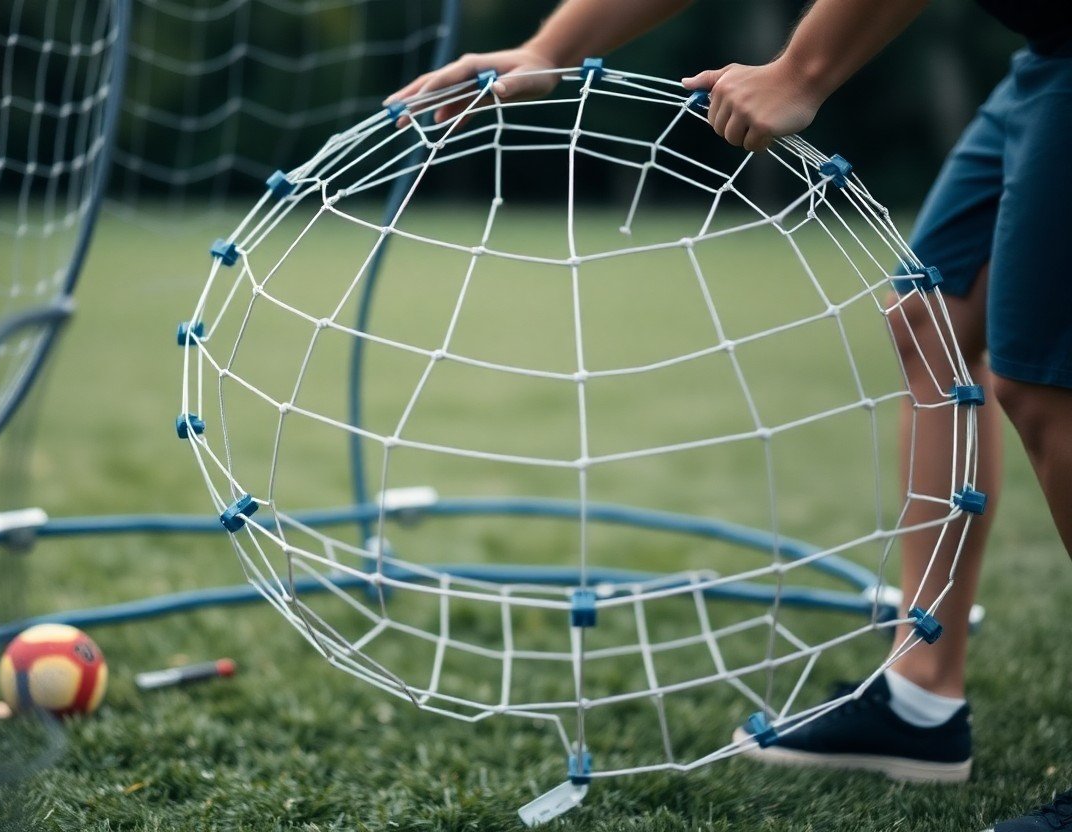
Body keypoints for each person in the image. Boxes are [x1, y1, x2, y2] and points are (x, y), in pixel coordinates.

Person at [389, 1, 1072, 829]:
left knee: (1045, 381)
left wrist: (800, 72)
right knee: (931, 323)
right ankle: (921, 697)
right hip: (1049, 54)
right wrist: (548, 49)